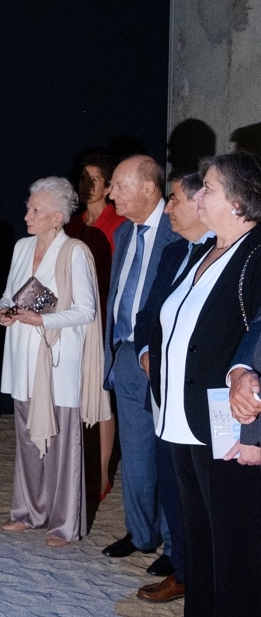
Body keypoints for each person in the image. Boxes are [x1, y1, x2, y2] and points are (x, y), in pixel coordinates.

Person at [151, 153, 261, 617]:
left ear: (239, 201)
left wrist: (255, 429)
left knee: (236, 542)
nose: (196, 197)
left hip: (232, 425)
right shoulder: (205, 253)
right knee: (200, 538)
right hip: (185, 420)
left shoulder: (256, 252)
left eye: (208, 189)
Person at [0, 176, 109, 547]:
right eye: (29, 208)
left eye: (36, 210)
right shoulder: (20, 247)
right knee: (28, 438)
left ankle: (63, 523)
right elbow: (7, 293)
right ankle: (28, 511)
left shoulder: (75, 251)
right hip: (21, 356)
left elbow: (86, 310)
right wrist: (3, 312)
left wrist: (43, 319)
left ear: (58, 217)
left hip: (58, 361)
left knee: (61, 442)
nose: (27, 215)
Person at [131, 170, 212, 605]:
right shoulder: (173, 252)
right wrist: (145, 352)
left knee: (202, 500)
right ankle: (182, 570)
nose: (167, 208)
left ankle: (202, 579)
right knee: (172, 487)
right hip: (162, 394)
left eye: (175, 199)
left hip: (201, 403)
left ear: (203, 203)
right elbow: (148, 315)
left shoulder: (228, 256)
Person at [99, 156, 180, 568]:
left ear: (149, 188)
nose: (110, 193)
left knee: (168, 454)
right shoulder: (125, 233)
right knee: (134, 453)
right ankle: (141, 533)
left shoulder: (181, 229)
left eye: (118, 185)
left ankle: (173, 545)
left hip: (163, 361)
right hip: (126, 355)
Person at [64, 152, 120, 495]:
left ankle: (101, 473)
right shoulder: (72, 223)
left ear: (109, 185)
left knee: (101, 399)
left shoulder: (119, 223)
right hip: (73, 320)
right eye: (82, 179)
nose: (87, 185)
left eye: (94, 180)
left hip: (103, 319)